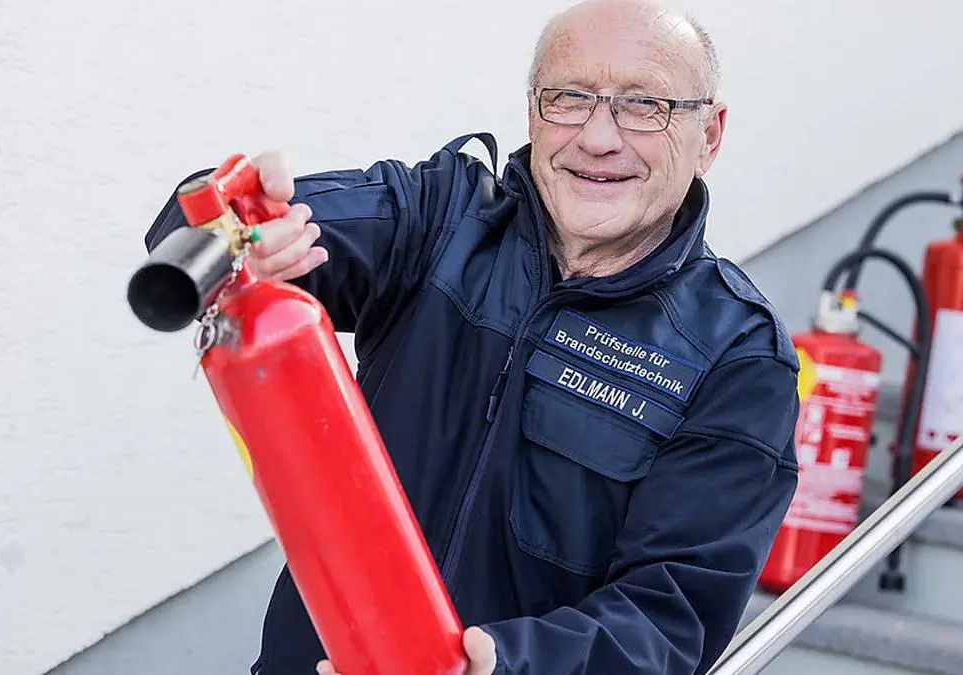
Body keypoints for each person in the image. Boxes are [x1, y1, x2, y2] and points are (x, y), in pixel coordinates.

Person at [144, 0, 801, 672]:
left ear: (710, 135)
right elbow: (203, 233)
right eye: (569, 97)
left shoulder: (737, 356)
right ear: (532, 114)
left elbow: (668, 619)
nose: (599, 137)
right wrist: (240, 229)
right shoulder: (438, 222)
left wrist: (498, 664)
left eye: (645, 105)